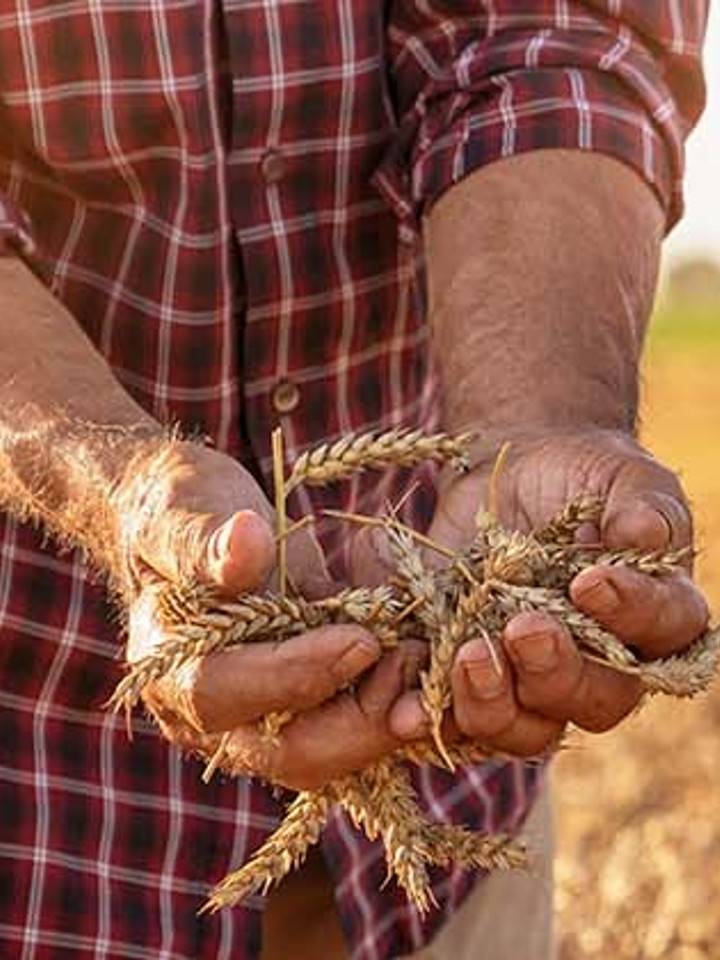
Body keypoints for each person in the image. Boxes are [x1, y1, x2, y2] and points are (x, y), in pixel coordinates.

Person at [0, 3, 710, 958]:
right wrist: (112, 484)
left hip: (446, 780)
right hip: (37, 798)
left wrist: (535, 425)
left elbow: (554, 41)